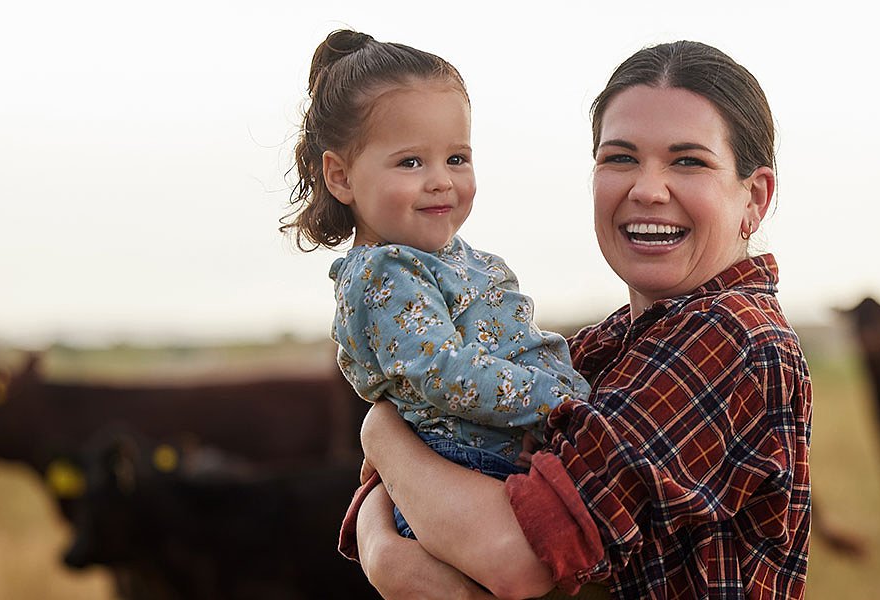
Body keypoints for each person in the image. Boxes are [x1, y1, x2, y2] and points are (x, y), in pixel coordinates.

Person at [343, 40, 812, 599]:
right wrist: (387, 547)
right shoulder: (605, 347)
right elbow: (407, 488)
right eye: (620, 158)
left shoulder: (732, 339)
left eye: (688, 161)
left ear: (754, 198)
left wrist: (380, 432)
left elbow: (512, 557)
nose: (647, 189)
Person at [282, 29, 591, 540]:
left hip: (496, 455)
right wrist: (557, 402)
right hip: (461, 465)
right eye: (410, 162)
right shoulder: (384, 273)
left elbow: (512, 342)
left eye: (456, 158)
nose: (441, 179)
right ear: (339, 177)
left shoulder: (449, 258)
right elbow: (444, 372)